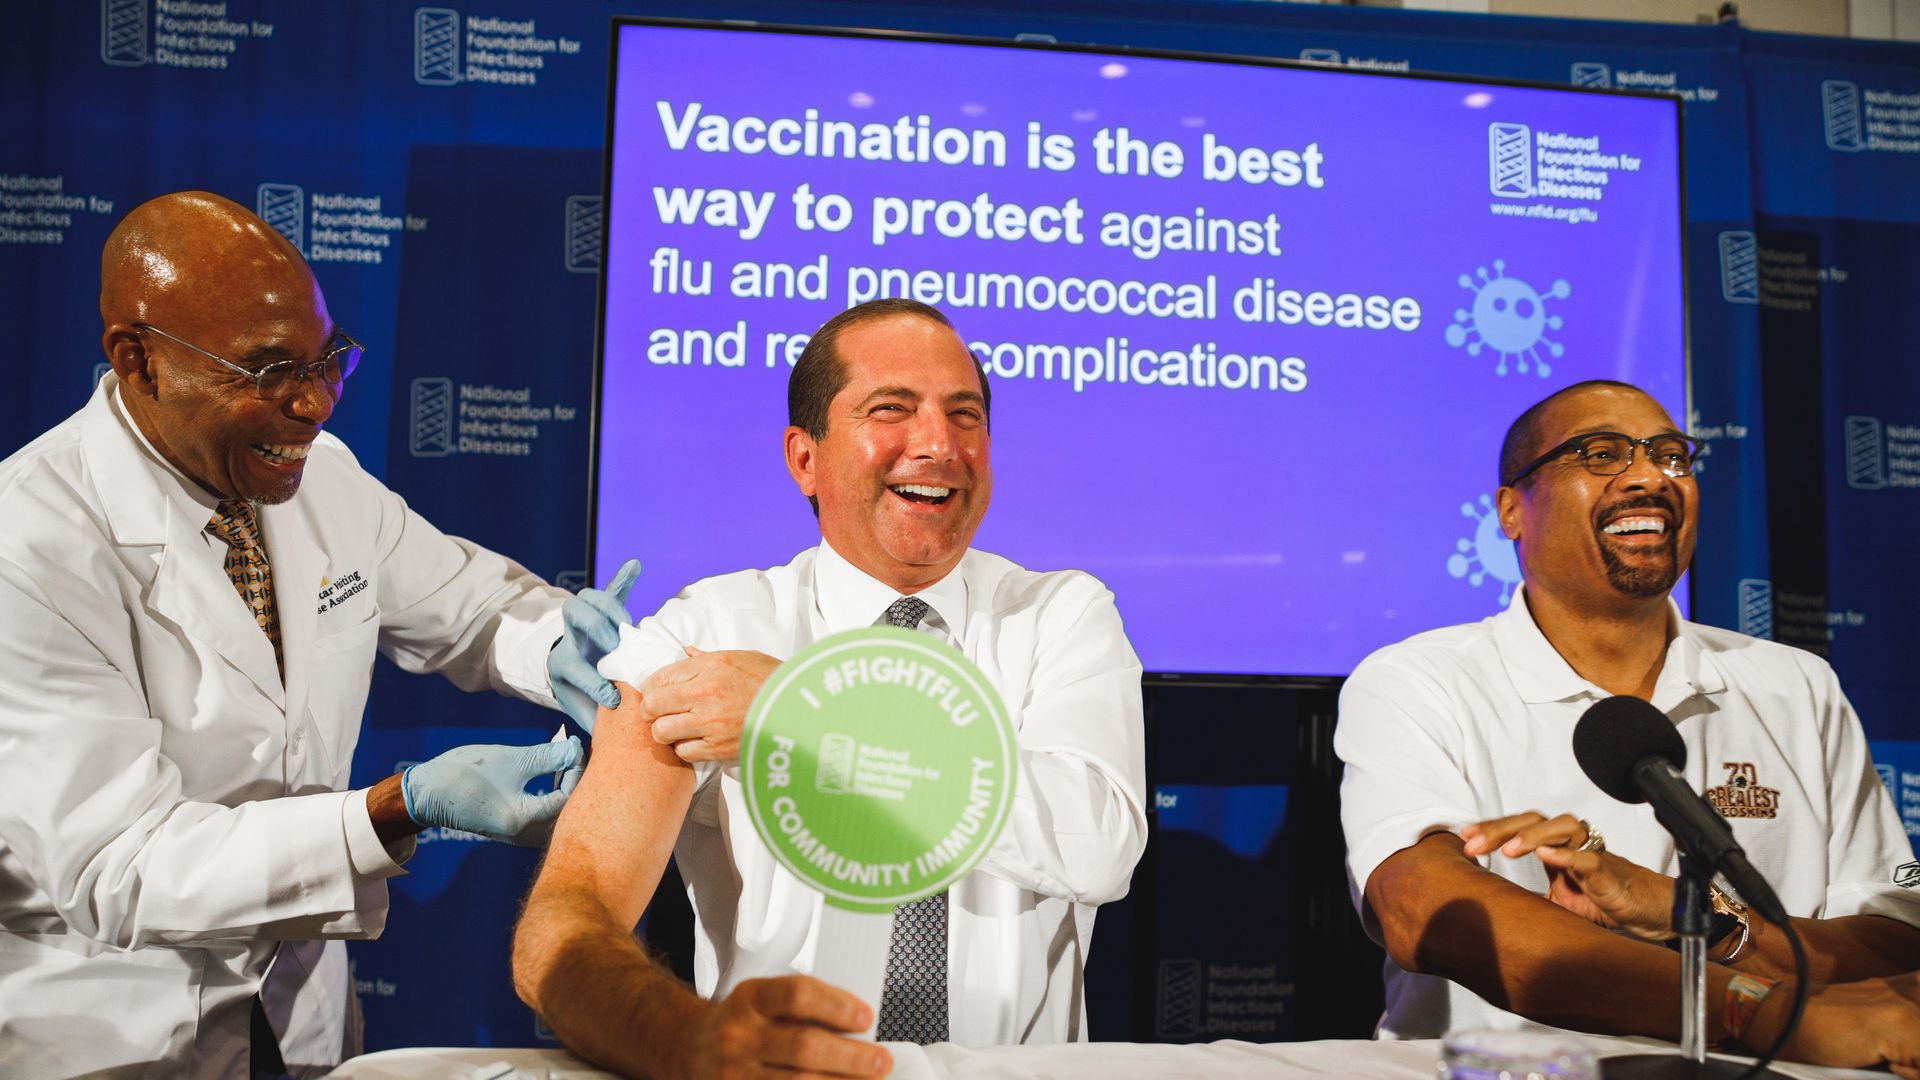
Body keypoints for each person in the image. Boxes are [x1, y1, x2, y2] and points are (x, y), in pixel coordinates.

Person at [0, 191, 632, 1079]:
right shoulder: (27, 548)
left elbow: (475, 610)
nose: (315, 403)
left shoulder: (316, 478)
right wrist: (401, 806)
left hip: (299, 1025)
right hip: (113, 1030)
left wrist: (557, 648)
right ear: (138, 359)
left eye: (329, 359)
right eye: (267, 371)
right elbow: (122, 867)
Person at [513, 298, 1147, 1079]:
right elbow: (566, 922)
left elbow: (1099, 848)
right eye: (892, 410)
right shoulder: (705, 632)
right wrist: (687, 1041)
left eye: (966, 415)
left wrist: (812, 717)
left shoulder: (1060, 615)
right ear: (804, 458)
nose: (940, 444)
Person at [1336, 380, 1920, 1051]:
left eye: (1672, 456)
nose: (1650, 477)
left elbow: (1894, 935)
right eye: (1601, 454)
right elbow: (1425, 910)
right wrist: (1779, 1018)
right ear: (1511, 510)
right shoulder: (1421, 679)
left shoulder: (1795, 684)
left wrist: (1701, 919)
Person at [1460, 810, 1920, 1073]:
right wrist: (1767, 1010)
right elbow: (1425, 921)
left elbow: (1894, 964)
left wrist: (1712, 923)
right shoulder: (1426, 674)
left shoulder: (1801, 679)